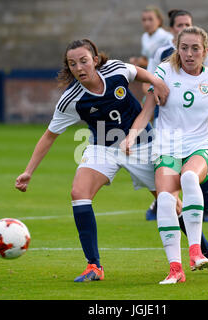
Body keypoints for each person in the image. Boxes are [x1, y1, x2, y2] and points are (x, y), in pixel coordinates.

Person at [15, 38, 170, 282]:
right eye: (72, 64)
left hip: (142, 144)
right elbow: (48, 136)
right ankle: (93, 266)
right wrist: (28, 172)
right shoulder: (71, 99)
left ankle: (204, 252)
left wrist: (156, 81)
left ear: (95, 61)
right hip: (102, 148)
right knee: (79, 193)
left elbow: (139, 73)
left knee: (168, 201)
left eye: (84, 61)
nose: (79, 68)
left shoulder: (116, 71)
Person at [121, 26, 208, 284]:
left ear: (205, 51)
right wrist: (132, 136)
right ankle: (175, 270)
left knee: (189, 178)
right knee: (166, 200)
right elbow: (147, 110)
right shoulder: (164, 72)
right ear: (177, 49)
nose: (189, 54)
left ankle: (195, 252)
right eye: (184, 48)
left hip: (200, 144)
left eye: (195, 49)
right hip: (167, 146)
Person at [145, 9, 208, 223]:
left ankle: (205, 210)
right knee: (166, 164)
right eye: (180, 25)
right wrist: (150, 103)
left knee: (199, 160)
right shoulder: (161, 53)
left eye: (187, 24)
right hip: (166, 110)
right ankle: (163, 204)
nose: (184, 28)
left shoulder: (203, 55)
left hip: (194, 116)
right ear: (172, 29)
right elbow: (149, 80)